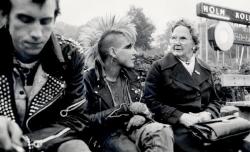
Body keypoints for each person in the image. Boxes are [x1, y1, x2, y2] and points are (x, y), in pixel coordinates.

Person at [0, 0, 91, 151]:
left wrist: (26, 142)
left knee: (77, 148)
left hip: (47, 145)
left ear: (54, 20)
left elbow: (76, 119)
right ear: (5, 16)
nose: (36, 33)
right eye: (25, 20)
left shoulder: (71, 55)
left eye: (45, 21)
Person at [82, 16, 173, 152]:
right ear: (113, 52)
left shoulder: (132, 76)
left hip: (135, 129)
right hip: (106, 135)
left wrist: (141, 115)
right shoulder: (88, 79)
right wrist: (124, 109)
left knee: (163, 131)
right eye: (129, 47)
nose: (134, 52)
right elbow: (82, 121)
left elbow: (144, 106)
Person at [143, 19, 221, 152]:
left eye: (183, 38)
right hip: (174, 128)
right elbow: (151, 101)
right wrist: (180, 116)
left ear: (194, 44)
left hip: (204, 125)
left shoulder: (205, 69)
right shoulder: (159, 67)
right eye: (173, 38)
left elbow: (215, 101)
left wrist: (207, 114)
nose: (176, 43)